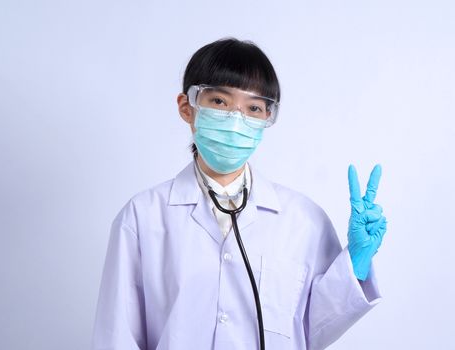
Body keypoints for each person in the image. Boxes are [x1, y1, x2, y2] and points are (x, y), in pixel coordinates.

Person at [91, 38, 388, 350]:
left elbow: (311, 330)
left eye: (254, 108)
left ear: (266, 120)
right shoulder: (142, 217)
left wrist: (355, 263)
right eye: (220, 102)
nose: (236, 118)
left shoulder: (304, 220)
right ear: (187, 108)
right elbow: (116, 336)